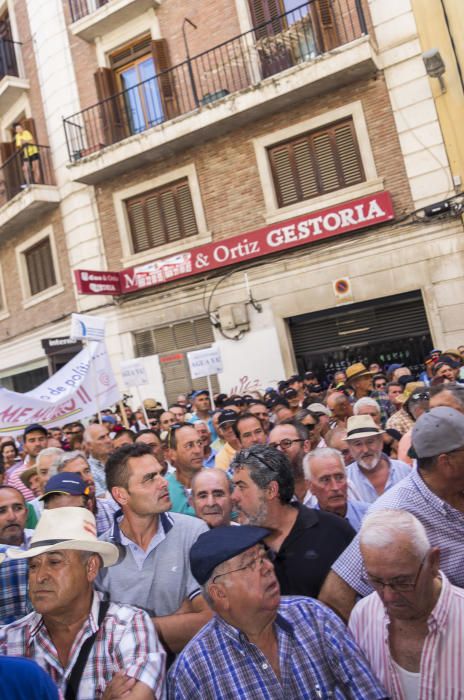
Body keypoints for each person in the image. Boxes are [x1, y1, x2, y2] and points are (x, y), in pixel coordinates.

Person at [168, 526, 388, 699]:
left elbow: (368, 692)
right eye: (250, 564)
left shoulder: (315, 618)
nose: (266, 567)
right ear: (220, 594)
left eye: (263, 557)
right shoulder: (194, 671)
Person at [1, 507, 165, 698]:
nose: (39, 577)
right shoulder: (7, 641)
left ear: (90, 567)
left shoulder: (128, 626)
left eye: (54, 562)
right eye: (33, 566)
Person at [319, 406, 464, 621]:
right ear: (446, 462)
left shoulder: (454, 488)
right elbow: (336, 596)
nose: (365, 448)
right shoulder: (393, 511)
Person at [99, 443, 210, 654]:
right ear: (121, 495)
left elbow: (208, 620)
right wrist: (179, 619)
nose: (163, 483)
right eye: (149, 478)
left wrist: (129, 631)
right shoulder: (100, 555)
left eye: (161, 474)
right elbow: (103, 641)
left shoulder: (194, 531)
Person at [349, 509, 464, 699]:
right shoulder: (363, 616)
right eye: (376, 580)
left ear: (433, 562)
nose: (388, 596)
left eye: (402, 581)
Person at [231, 445, 355, 597]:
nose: (234, 497)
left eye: (241, 487)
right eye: (234, 486)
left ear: (271, 490)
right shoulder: (240, 546)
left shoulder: (336, 532)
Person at [345, 415, 410, 503]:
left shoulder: (404, 470)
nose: (365, 450)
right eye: (358, 444)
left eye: (370, 442)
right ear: (350, 448)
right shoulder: (346, 479)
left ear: (380, 442)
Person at [54, 450, 118, 536]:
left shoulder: (114, 509)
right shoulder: (61, 523)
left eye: (87, 471)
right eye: (77, 475)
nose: (86, 479)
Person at [304, 448, 369, 531]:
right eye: (325, 480)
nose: (335, 487)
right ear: (310, 486)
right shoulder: (305, 527)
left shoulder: (371, 516)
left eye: (339, 477)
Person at [268, 420, 312, 504]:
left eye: (286, 443)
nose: (279, 450)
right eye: (273, 446)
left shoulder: (327, 481)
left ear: (306, 446)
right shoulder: (270, 494)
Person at [165, 424, 204, 516]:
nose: (198, 450)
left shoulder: (220, 480)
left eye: (199, 443)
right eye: (189, 445)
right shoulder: (163, 489)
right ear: (172, 454)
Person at [7, 424, 48, 500]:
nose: (37, 444)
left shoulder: (59, 467)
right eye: (32, 440)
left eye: (41, 439)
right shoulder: (15, 477)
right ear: (24, 446)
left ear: (47, 441)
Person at [83, 423, 113, 496]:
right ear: (89, 445)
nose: (108, 440)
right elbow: (103, 501)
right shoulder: (87, 470)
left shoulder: (120, 459)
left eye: (108, 435)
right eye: (102, 438)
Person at [14, 121, 41, 186]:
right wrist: (19, 147)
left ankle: (37, 183)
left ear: (22, 129)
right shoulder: (17, 136)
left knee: (35, 168)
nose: (19, 130)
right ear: (16, 131)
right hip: (26, 154)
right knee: (25, 168)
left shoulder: (26, 132)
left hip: (34, 152)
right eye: (17, 129)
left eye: (20, 128)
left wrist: (25, 141)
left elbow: (33, 141)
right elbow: (19, 145)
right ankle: (28, 184)